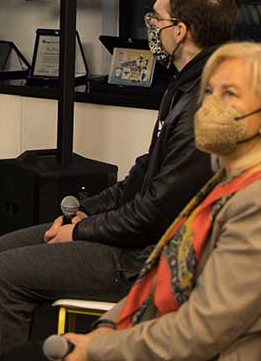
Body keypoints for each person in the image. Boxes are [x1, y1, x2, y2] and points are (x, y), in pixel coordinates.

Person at [0, 0, 237, 360]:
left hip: (146, 259)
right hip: (135, 237)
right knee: (0, 248)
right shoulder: (184, 84)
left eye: (157, 19)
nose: (151, 26)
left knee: (2, 276)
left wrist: (82, 232)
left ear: (180, 31)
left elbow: (153, 216)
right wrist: (86, 212)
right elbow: (143, 174)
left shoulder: (205, 105)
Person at [61, 42, 261, 361]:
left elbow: (201, 331)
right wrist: (107, 328)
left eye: (230, 94)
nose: (210, 106)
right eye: (209, 92)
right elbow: (160, 272)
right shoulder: (222, 179)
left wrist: (99, 347)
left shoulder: (255, 202)